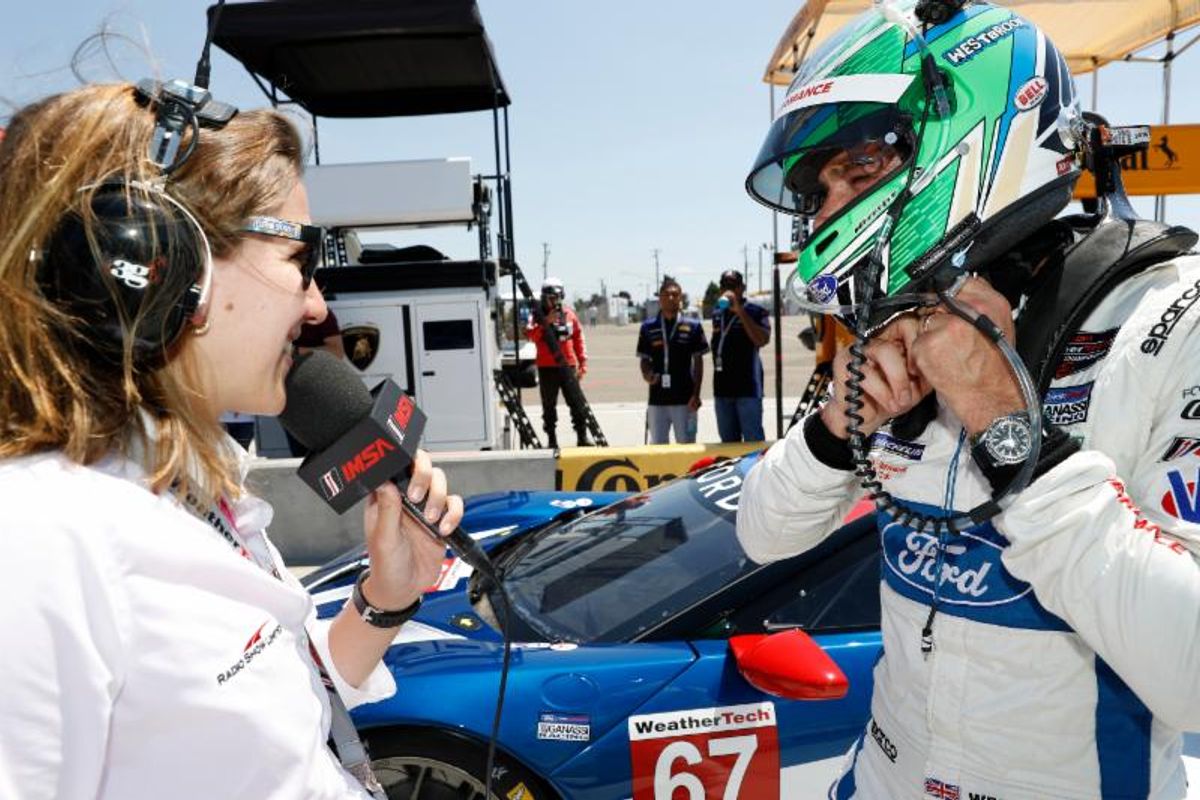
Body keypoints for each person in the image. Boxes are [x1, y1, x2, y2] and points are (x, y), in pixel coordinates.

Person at [739, 2, 1200, 798]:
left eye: (857, 171)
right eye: (819, 191)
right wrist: (834, 430)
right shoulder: (903, 323)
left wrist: (1007, 423)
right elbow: (763, 535)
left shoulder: (1168, 318)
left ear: (974, 129)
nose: (827, 213)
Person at [0, 82, 464, 798]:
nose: (316, 306)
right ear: (160, 263)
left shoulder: (183, 476)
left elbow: (251, 717)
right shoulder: (40, 543)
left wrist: (386, 599)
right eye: (300, 260)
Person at [636, 278, 709, 443]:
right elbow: (644, 359)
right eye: (666, 295)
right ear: (660, 298)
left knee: (686, 446)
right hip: (657, 400)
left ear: (680, 298)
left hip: (685, 400)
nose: (671, 298)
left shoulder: (693, 326)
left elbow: (698, 362)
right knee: (658, 448)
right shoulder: (648, 327)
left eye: (675, 295)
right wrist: (646, 374)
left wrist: (696, 395)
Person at [525, 276, 590, 447]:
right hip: (547, 367)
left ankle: (582, 437)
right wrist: (547, 321)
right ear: (544, 298)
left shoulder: (569, 314)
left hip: (568, 365)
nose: (554, 301)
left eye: (557, 297)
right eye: (551, 298)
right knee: (548, 405)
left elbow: (578, 338)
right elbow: (531, 335)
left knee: (576, 402)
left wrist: (583, 363)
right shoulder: (537, 315)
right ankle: (552, 439)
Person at [710, 268, 770, 442]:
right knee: (728, 444)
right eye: (725, 285)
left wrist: (740, 312)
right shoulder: (717, 312)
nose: (729, 289)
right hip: (722, 389)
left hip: (748, 389)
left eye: (733, 285)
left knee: (753, 442)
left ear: (742, 288)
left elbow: (762, 340)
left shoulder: (756, 311)